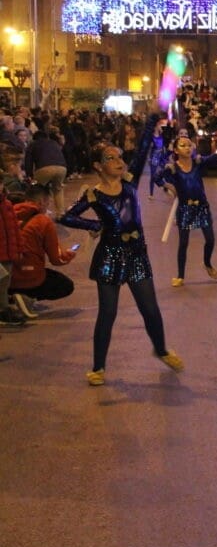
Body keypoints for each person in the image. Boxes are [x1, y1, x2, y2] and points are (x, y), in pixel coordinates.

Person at [58, 115, 184, 386]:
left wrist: (152, 120)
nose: (119, 161)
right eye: (110, 158)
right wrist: (95, 225)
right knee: (107, 313)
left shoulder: (130, 182)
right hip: (109, 257)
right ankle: (98, 367)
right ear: (98, 166)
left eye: (119, 157)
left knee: (150, 309)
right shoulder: (93, 195)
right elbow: (66, 216)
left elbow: (142, 149)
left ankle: (161, 349)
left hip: (137, 254)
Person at [154, 130, 217, 288]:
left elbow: (213, 158)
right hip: (185, 209)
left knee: (210, 239)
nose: (187, 148)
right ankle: (180, 276)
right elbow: (156, 178)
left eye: (189, 145)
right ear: (176, 150)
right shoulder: (173, 168)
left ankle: (207, 263)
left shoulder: (197, 162)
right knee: (184, 243)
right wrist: (169, 186)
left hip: (202, 207)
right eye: (183, 146)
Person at [10, 184, 76, 317]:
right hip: (31, 277)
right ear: (41, 202)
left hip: (8, 277)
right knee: (65, 285)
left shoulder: (7, 215)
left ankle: (9, 297)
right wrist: (69, 255)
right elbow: (57, 259)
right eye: (48, 203)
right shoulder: (43, 221)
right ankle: (26, 297)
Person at [0, 184, 28, 326]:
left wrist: (19, 249)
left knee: (5, 283)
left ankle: (4, 309)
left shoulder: (7, 204)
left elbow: (15, 230)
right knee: (2, 284)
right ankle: (3, 310)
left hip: (8, 253)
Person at [23, 128, 68, 216]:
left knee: (37, 190)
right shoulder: (53, 142)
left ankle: (39, 212)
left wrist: (29, 175)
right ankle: (61, 213)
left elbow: (28, 161)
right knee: (58, 190)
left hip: (44, 168)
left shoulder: (33, 144)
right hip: (62, 168)